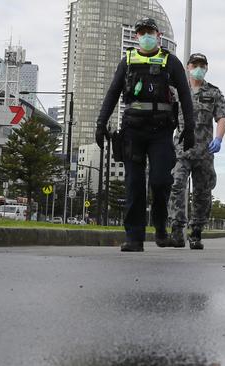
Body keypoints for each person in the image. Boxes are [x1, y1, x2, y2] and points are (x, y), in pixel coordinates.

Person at [95, 17, 195, 252]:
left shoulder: (171, 62)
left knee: (161, 181)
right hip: (133, 130)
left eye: (150, 32)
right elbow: (112, 93)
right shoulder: (127, 61)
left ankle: (160, 229)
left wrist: (188, 127)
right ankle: (134, 237)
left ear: (158, 35)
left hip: (161, 131)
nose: (146, 36)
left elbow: (185, 95)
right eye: (142, 32)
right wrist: (100, 123)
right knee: (133, 184)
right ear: (137, 36)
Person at [169, 53, 225, 250]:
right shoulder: (177, 90)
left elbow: (221, 118)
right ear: (188, 66)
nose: (198, 68)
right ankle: (177, 229)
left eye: (202, 65)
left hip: (204, 151)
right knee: (177, 185)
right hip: (181, 150)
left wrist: (218, 138)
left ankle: (196, 232)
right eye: (195, 64)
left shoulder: (214, 92)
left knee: (203, 193)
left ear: (206, 68)